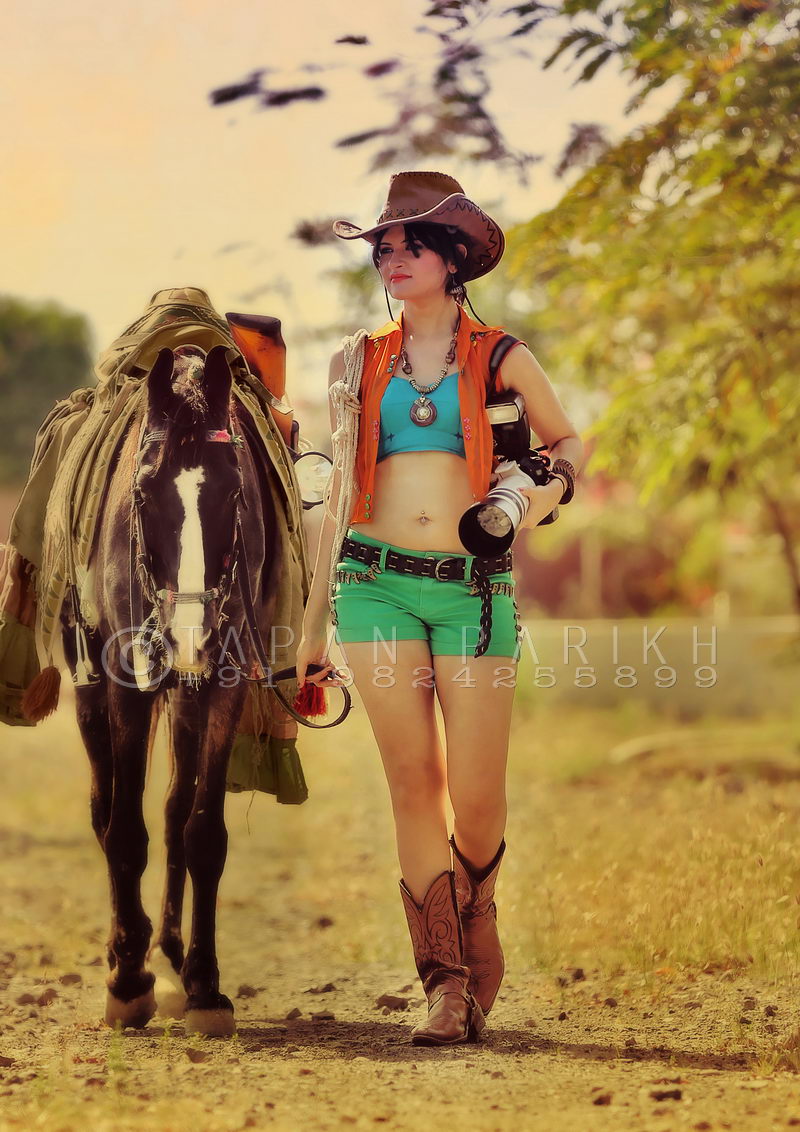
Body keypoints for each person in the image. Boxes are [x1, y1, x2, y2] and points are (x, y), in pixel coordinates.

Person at [295, 171, 584, 1046]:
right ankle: (446, 983)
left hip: (473, 592)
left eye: (410, 243)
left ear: (453, 257)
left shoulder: (503, 357)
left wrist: (533, 496)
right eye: (383, 246)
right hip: (372, 582)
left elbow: (569, 443)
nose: (392, 257)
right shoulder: (355, 362)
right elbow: (337, 494)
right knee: (412, 780)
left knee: (477, 794)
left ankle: (476, 912)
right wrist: (310, 631)